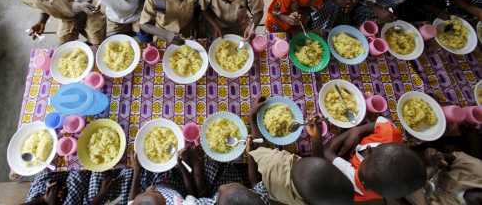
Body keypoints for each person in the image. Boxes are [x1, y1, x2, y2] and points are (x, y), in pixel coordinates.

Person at [247, 96, 355, 205]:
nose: (295, 158)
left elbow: (260, 152)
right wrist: (316, 139)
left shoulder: (276, 168)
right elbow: (320, 167)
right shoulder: (325, 194)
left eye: (294, 161)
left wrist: (253, 119)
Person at [323, 116, 427, 202]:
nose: (360, 176)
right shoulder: (391, 133)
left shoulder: (360, 182)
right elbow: (381, 122)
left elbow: (326, 152)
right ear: (368, 150)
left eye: (361, 176)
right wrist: (358, 130)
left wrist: (350, 133)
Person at [129, 149, 269, 205]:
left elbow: (200, 196)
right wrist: (252, 152)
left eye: (218, 193)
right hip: (181, 189)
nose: (150, 187)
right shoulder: (262, 199)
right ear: (251, 191)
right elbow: (255, 182)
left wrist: (136, 172)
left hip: (175, 186)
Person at [404, 148, 482, 205]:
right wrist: (440, 156)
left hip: (407, 191)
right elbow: (453, 158)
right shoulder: (479, 169)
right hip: (422, 165)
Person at [23, 169, 131, 205]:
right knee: (99, 174)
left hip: (40, 199)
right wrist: (102, 194)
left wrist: (44, 199)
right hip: (77, 201)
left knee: (48, 169)